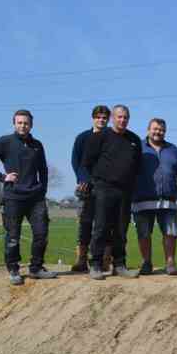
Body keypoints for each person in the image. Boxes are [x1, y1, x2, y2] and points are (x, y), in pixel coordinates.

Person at [0, 109, 56, 285]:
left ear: (31, 125)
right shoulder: (5, 142)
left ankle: (36, 268)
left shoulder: (37, 145)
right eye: (20, 122)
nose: (23, 126)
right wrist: (2, 177)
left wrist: (42, 190)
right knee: (13, 236)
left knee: (41, 233)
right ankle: (13, 269)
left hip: (35, 198)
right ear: (14, 123)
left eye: (26, 123)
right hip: (13, 197)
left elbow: (43, 170)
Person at [81, 104, 142, 280]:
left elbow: (137, 165)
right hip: (103, 188)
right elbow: (87, 162)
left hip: (125, 190)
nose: (122, 120)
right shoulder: (99, 137)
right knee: (101, 227)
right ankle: (96, 265)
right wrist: (96, 182)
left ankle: (120, 264)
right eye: (119, 117)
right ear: (113, 118)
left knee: (121, 228)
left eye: (125, 118)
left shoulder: (134, 140)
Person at [132, 118, 177, 276]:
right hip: (142, 199)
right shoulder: (138, 147)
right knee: (143, 233)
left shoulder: (173, 149)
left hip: (168, 200)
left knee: (170, 232)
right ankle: (146, 262)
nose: (158, 132)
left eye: (161, 130)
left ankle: (170, 263)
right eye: (155, 129)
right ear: (148, 130)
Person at [70, 105, 113, 273]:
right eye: (98, 117)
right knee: (85, 223)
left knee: (105, 224)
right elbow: (76, 161)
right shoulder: (83, 137)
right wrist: (82, 179)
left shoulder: (112, 136)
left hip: (107, 186)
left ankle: (104, 260)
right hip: (86, 187)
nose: (101, 120)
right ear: (93, 118)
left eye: (104, 118)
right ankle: (81, 259)